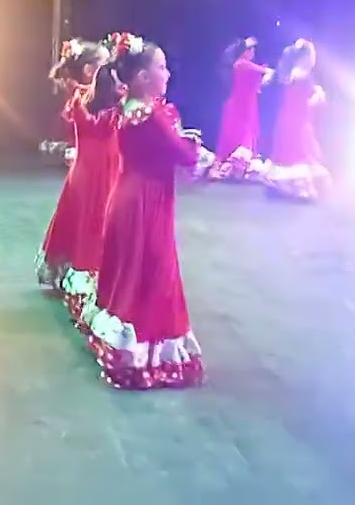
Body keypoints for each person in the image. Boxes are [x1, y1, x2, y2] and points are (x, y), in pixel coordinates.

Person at [85, 33, 205, 390]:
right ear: (141, 77)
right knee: (154, 273)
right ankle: (144, 360)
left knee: (134, 272)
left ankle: (128, 350)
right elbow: (184, 155)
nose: (167, 74)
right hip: (146, 202)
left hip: (128, 196)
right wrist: (199, 152)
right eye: (161, 67)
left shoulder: (128, 110)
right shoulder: (149, 115)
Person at [36, 37, 121, 322]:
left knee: (81, 216)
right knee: (94, 218)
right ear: (89, 70)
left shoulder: (84, 94)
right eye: (105, 65)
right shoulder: (92, 97)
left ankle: (75, 271)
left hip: (88, 167)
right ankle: (86, 277)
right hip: (98, 168)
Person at [266, 38, 330, 200]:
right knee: (299, 154)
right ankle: (299, 189)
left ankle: (290, 187)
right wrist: (318, 95)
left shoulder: (294, 73)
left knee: (294, 154)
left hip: (292, 120)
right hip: (297, 123)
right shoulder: (301, 74)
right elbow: (307, 102)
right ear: (306, 57)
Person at [211, 36, 274, 181]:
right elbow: (265, 72)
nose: (253, 52)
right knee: (231, 140)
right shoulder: (241, 64)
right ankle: (223, 169)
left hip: (246, 107)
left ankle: (233, 170)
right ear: (244, 51)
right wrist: (267, 72)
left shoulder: (245, 66)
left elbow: (261, 79)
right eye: (251, 49)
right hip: (239, 108)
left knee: (239, 139)